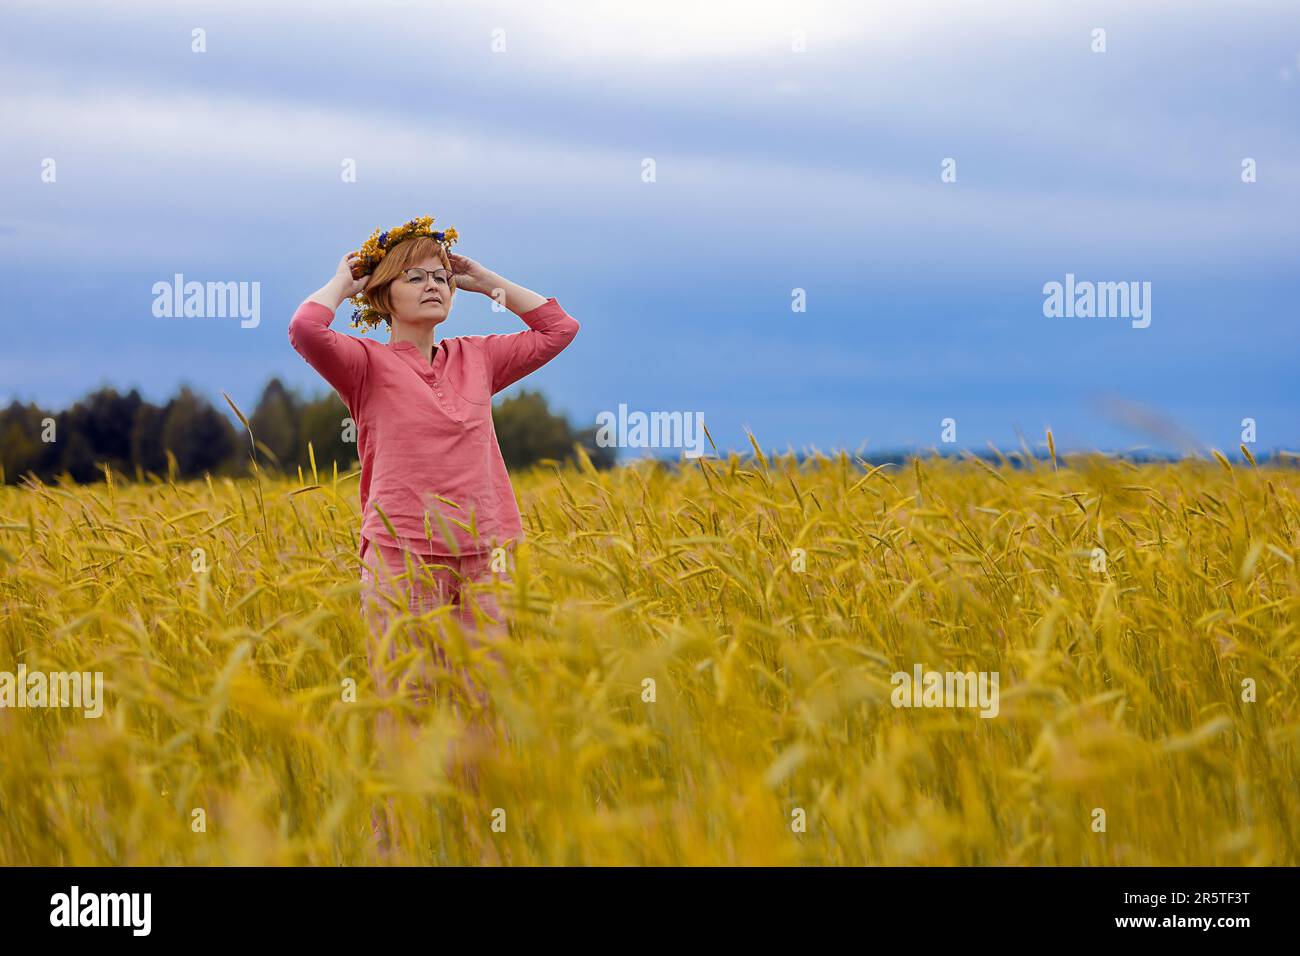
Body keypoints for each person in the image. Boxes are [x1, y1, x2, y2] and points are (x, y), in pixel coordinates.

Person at [287, 216, 579, 854]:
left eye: (442, 278)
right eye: (415, 277)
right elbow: (306, 329)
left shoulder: (477, 358)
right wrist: (345, 276)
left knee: (483, 708)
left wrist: (485, 281)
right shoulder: (364, 365)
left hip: (486, 558)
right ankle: (396, 846)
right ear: (384, 294)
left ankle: (479, 843)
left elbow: (560, 328)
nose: (434, 286)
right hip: (402, 559)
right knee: (407, 708)